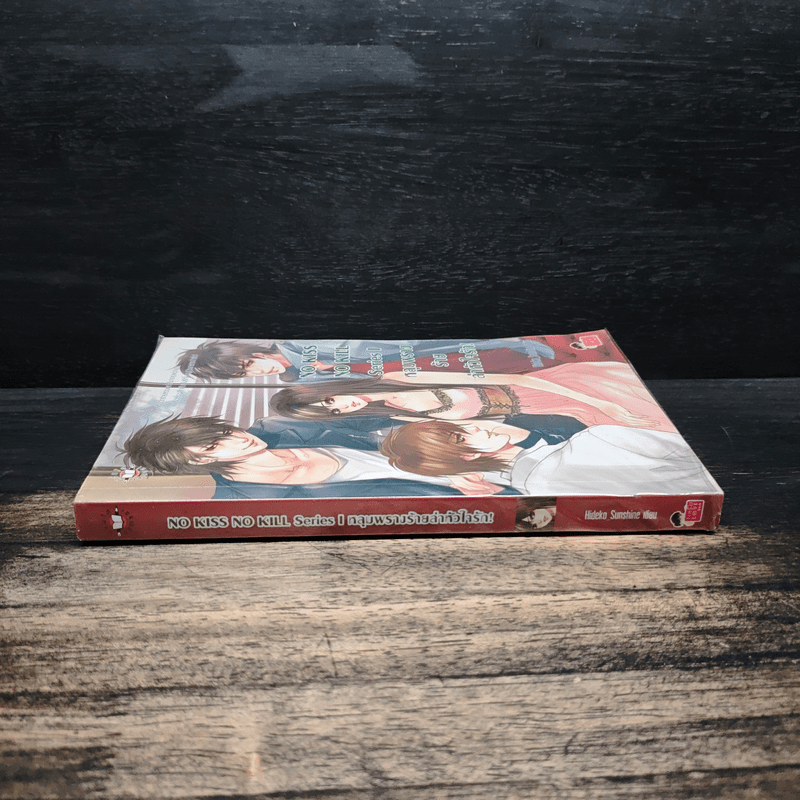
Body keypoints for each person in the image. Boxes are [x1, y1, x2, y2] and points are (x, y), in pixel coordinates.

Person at [121, 415, 521, 499]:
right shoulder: (243, 499)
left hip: (491, 459)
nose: (238, 438)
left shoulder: (286, 428)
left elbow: (391, 422)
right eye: (214, 446)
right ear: (197, 462)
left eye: (225, 431)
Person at [269, 361, 677, 431]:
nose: (343, 405)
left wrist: (600, 401)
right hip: (564, 411)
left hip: (568, 387)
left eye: (329, 399)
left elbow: (515, 378)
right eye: (332, 412)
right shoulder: (400, 418)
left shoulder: (399, 377)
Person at [378, 419, 720, 498]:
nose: (477, 427)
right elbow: (689, 455)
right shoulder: (593, 439)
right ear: (466, 455)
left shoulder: (538, 493)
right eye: (461, 435)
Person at [176, 338, 556, 382]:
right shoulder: (295, 380)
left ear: (252, 354)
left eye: (248, 365)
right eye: (245, 375)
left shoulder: (300, 344)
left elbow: (413, 343)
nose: (258, 371)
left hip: (436, 353)